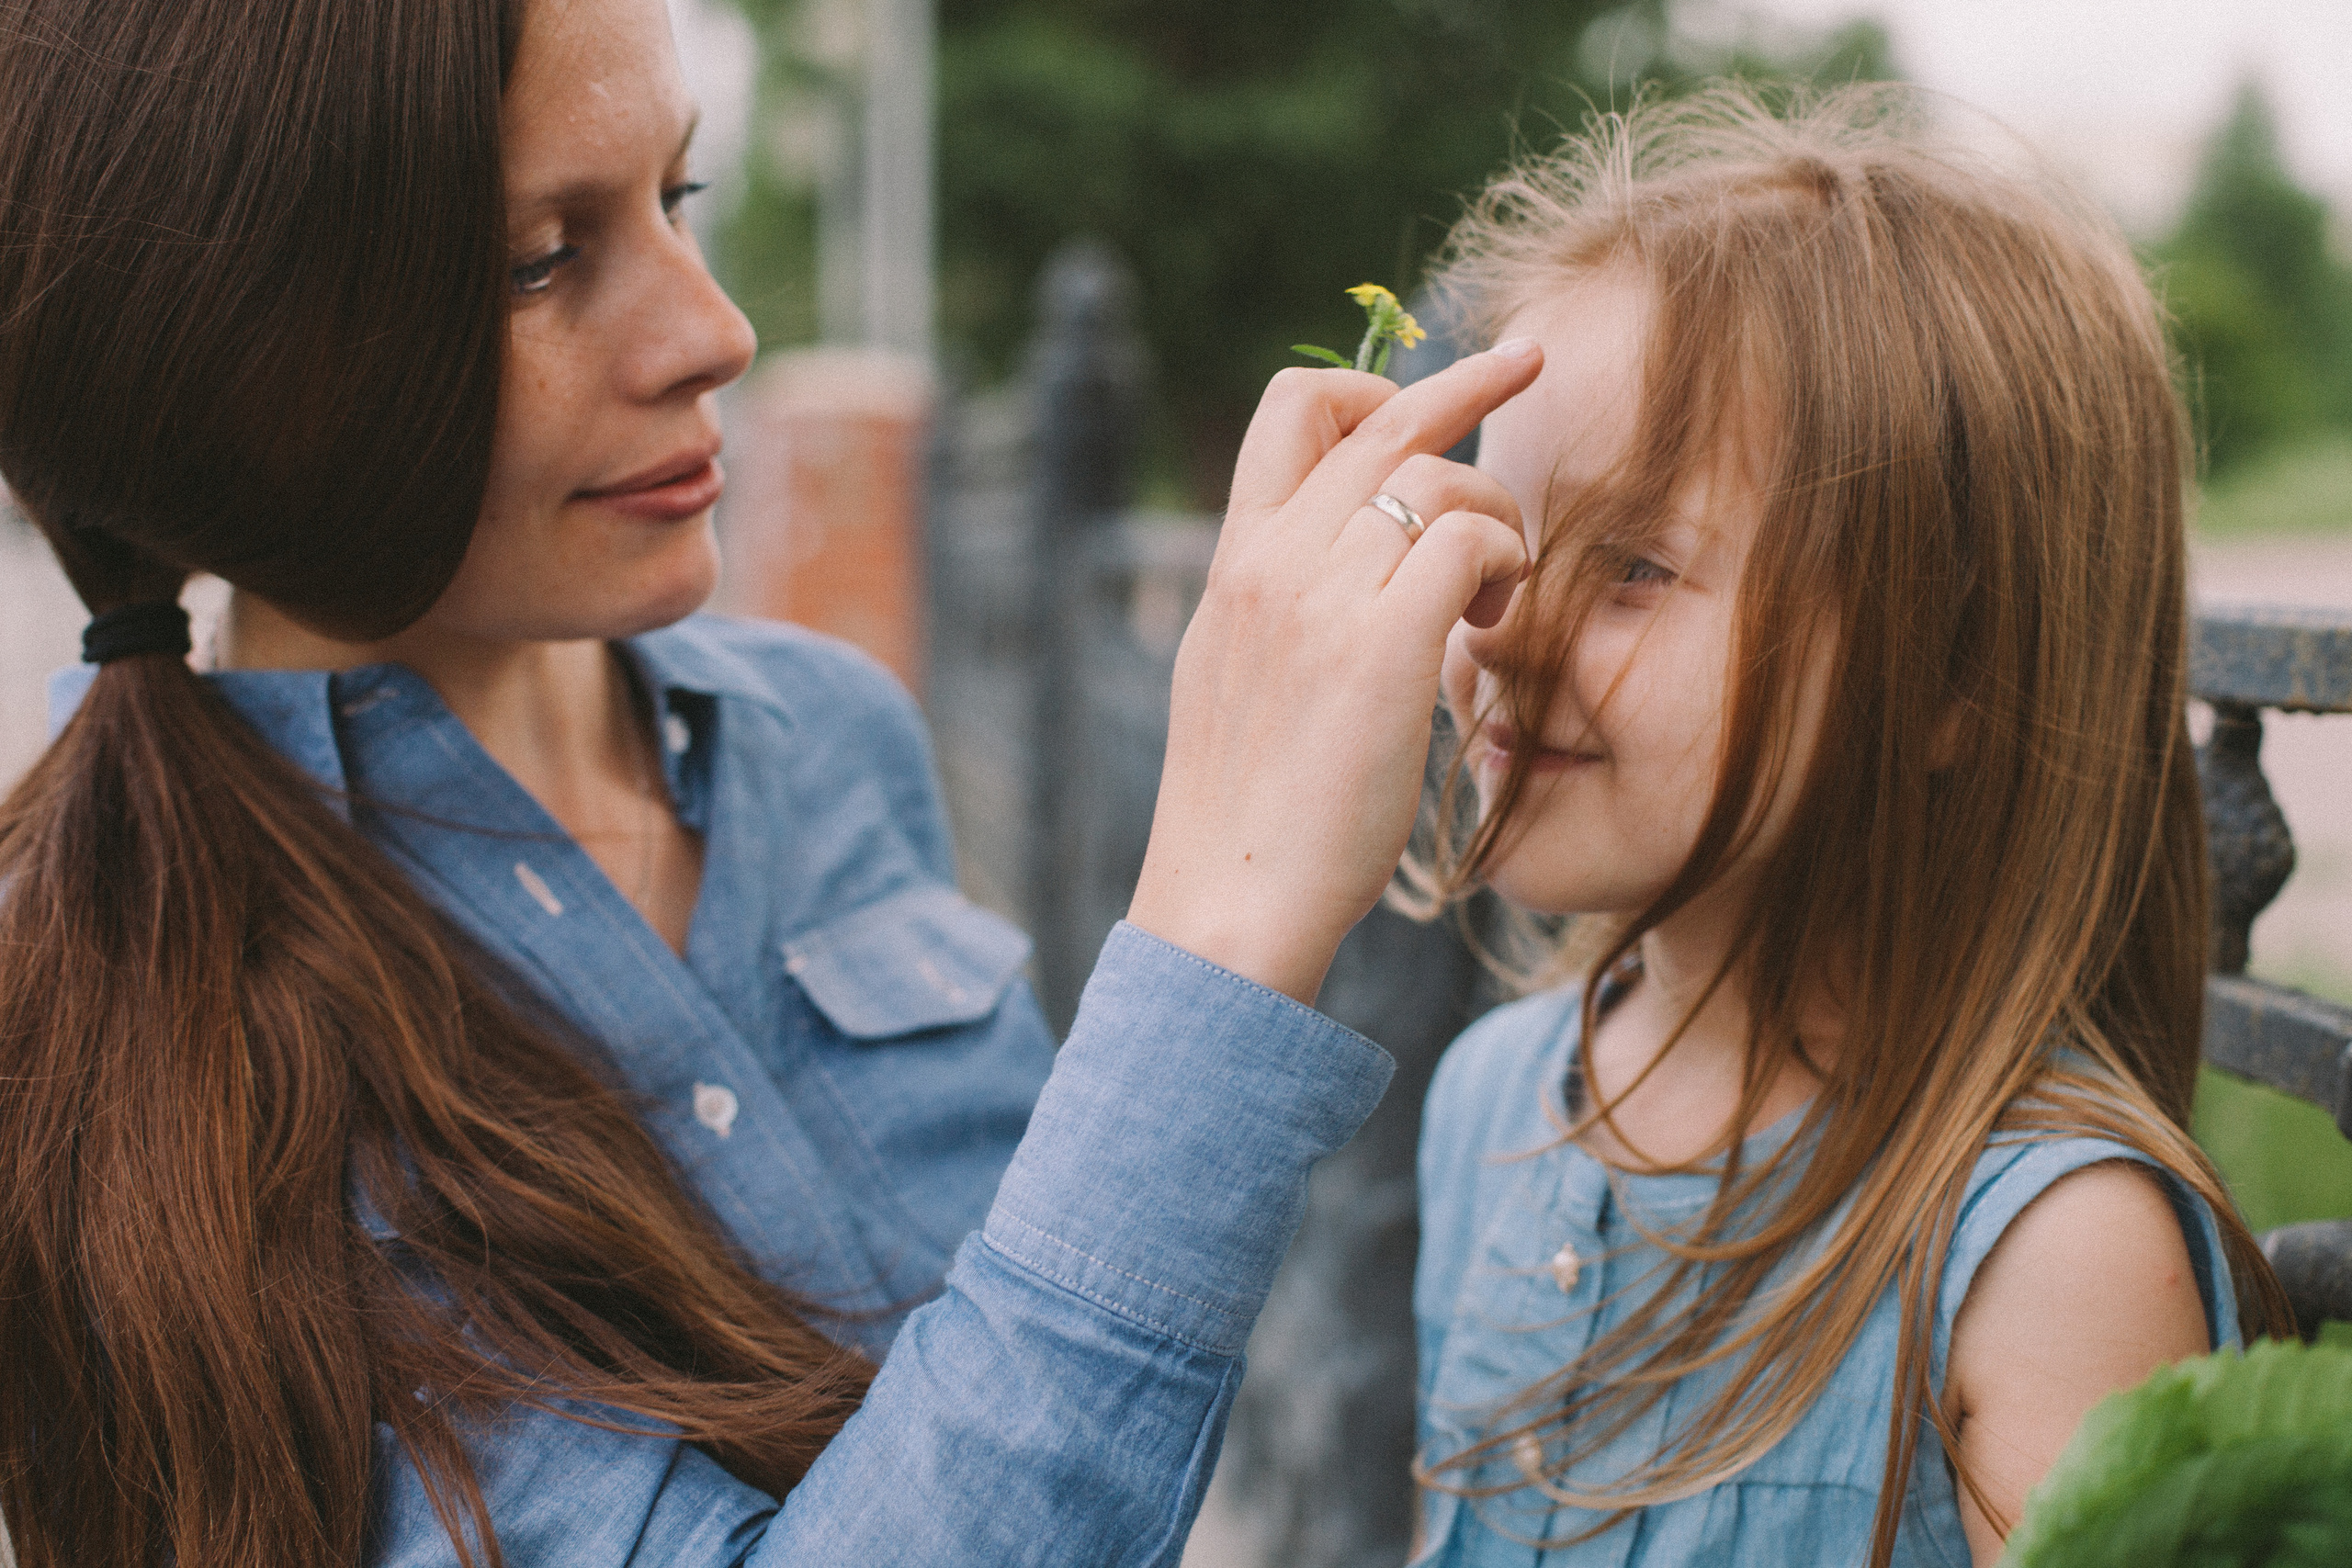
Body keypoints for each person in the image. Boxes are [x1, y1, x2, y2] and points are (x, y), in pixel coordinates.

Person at [0, 0, 1537, 1564]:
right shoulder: (118, 1031)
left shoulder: (825, 736)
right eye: (542, 259)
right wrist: (1227, 916)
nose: (715, 332)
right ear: (235, 354)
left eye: (678, 198)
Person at [1399, 87, 2295, 1568]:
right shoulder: (1493, 1101)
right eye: (1495, 536)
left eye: (1631, 565)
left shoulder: (2043, 1258)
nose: (1496, 627)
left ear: (1952, 672)